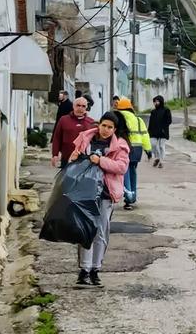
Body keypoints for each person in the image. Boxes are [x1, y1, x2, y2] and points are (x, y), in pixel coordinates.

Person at [67, 112, 129, 286]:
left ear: (115, 129)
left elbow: (122, 167)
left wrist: (100, 160)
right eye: (104, 125)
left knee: (100, 232)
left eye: (110, 127)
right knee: (85, 230)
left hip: (105, 195)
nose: (106, 130)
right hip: (84, 193)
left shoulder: (120, 146)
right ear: (99, 124)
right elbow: (73, 160)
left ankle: (95, 269)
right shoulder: (86, 139)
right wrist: (75, 160)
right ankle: (84, 270)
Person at [115, 98, 152, 210]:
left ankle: (128, 197)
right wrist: (148, 150)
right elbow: (145, 135)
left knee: (124, 172)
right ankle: (133, 196)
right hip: (137, 149)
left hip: (124, 148)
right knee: (132, 171)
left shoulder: (118, 118)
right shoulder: (138, 120)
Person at [51, 98, 96, 168]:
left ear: (86, 108)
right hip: (66, 158)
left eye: (83, 106)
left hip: (84, 160)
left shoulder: (91, 122)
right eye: (78, 105)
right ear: (73, 106)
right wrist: (55, 154)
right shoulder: (64, 120)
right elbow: (57, 138)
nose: (80, 108)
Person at [148, 95, 172, 169]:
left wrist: (163, 128)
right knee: (153, 145)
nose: (156, 103)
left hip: (163, 131)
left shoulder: (166, 110)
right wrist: (148, 131)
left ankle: (161, 161)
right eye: (154, 102)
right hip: (154, 131)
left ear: (161, 101)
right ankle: (157, 157)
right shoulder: (153, 112)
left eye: (157, 101)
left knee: (161, 146)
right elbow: (151, 122)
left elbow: (169, 121)